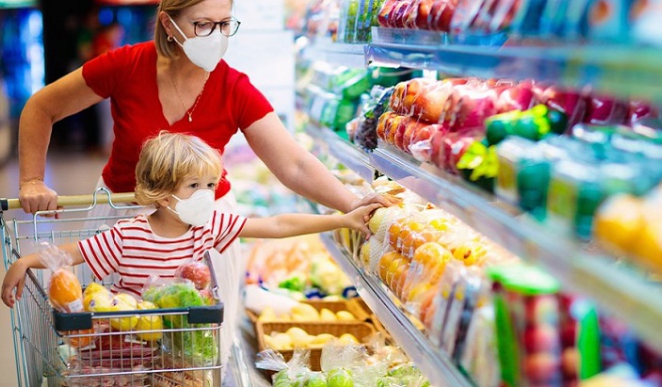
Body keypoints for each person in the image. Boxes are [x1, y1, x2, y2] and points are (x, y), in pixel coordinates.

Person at [15, 0, 393, 382]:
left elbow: (294, 163)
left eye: (224, 24)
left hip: (202, 227)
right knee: (113, 344)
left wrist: (354, 204)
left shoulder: (233, 87)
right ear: (169, 23)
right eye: (202, 24)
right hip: (123, 221)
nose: (216, 35)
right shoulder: (126, 66)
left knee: (193, 355)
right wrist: (32, 179)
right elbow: (41, 108)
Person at [1, 131, 380, 306]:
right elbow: (74, 252)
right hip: (131, 346)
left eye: (211, 184)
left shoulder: (208, 226)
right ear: (163, 195)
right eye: (194, 185)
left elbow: (278, 225)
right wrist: (26, 261)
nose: (206, 195)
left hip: (186, 351)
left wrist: (343, 219)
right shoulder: (126, 235)